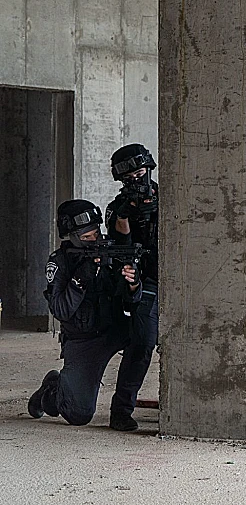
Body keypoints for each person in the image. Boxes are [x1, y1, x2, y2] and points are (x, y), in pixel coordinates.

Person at [27, 200, 143, 427]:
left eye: (96, 233)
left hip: (114, 330)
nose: (96, 240)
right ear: (73, 237)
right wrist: (82, 277)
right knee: (79, 415)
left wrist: (133, 284)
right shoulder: (59, 262)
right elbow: (61, 310)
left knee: (145, 337)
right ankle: (52, 389)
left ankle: (122, 409)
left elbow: (130, 303)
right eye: (88, 237)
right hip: (83, 341)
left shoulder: (107, 254)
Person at [104, 143, 160, 431]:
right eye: (129, 178)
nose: (136, 180)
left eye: (140, 173)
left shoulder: (168, 197)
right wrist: (125, 216)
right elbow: (121, 248)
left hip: (180, 281)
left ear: (148, 169)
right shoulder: (117, 209)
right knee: (142, 345)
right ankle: (121, 411)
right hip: (145, 283)